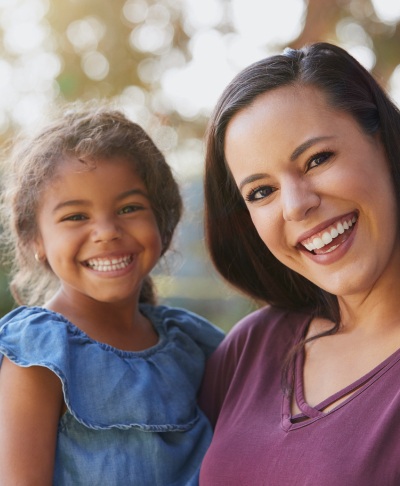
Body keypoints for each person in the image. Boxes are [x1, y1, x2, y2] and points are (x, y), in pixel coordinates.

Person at [198, 41, 400, 485]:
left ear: (384, 142)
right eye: (261, 192)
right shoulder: (251, 348)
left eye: (317, 159)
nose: (295, 206)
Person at [0, 105, 224, 485]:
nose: (106, 231)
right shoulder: (40, 354)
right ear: (36, 239)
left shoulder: (193, 343)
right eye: (75, 216)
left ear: (163, 225)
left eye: (129, 208)